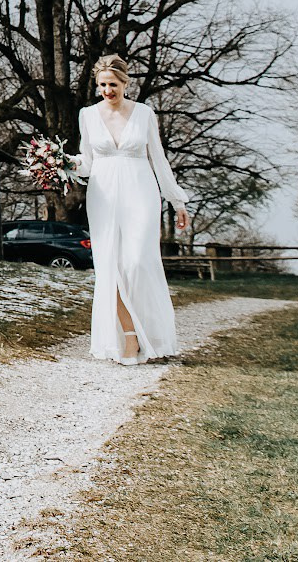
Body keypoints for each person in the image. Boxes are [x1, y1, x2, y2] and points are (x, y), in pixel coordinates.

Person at [76, 53, 191, 365]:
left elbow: (159, 159)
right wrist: (63, 163)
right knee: (111, 267)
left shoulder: (143, 114)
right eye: (102, 85)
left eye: (113, 84)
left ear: (125, 83)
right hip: (103, 196)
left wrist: (177, 200)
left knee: (138, 263)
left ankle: (153, 334)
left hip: (140, 192)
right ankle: (129, 337)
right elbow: (86, 163)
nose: (107, 91)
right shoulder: (87, 115)